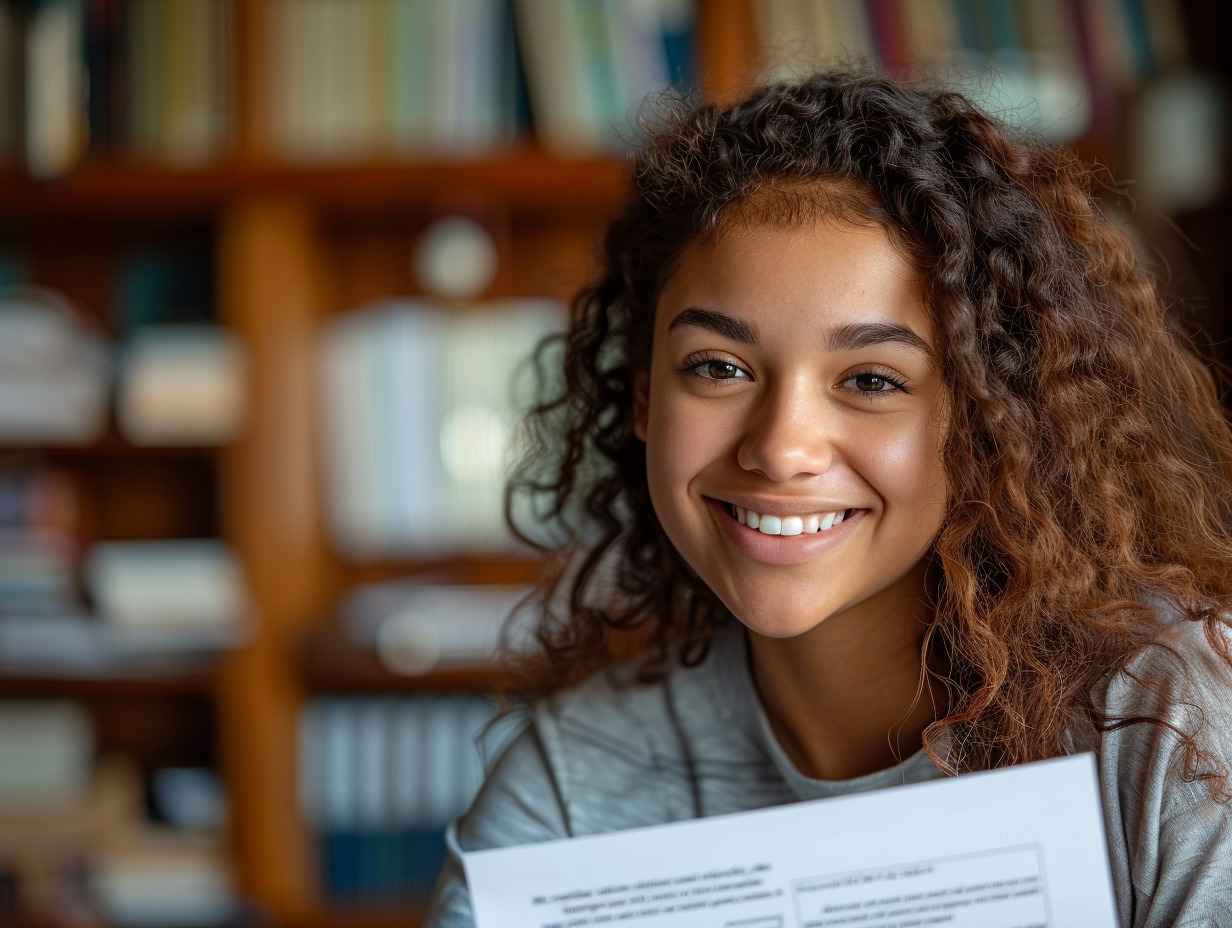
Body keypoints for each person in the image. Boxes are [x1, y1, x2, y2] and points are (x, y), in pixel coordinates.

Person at [424, 69, 1232, 927]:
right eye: (719, 368)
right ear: (643, 398)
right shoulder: (571, 788)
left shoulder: (1174, 724)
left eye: (873, 379)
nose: (780, 447)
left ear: (990, 419)